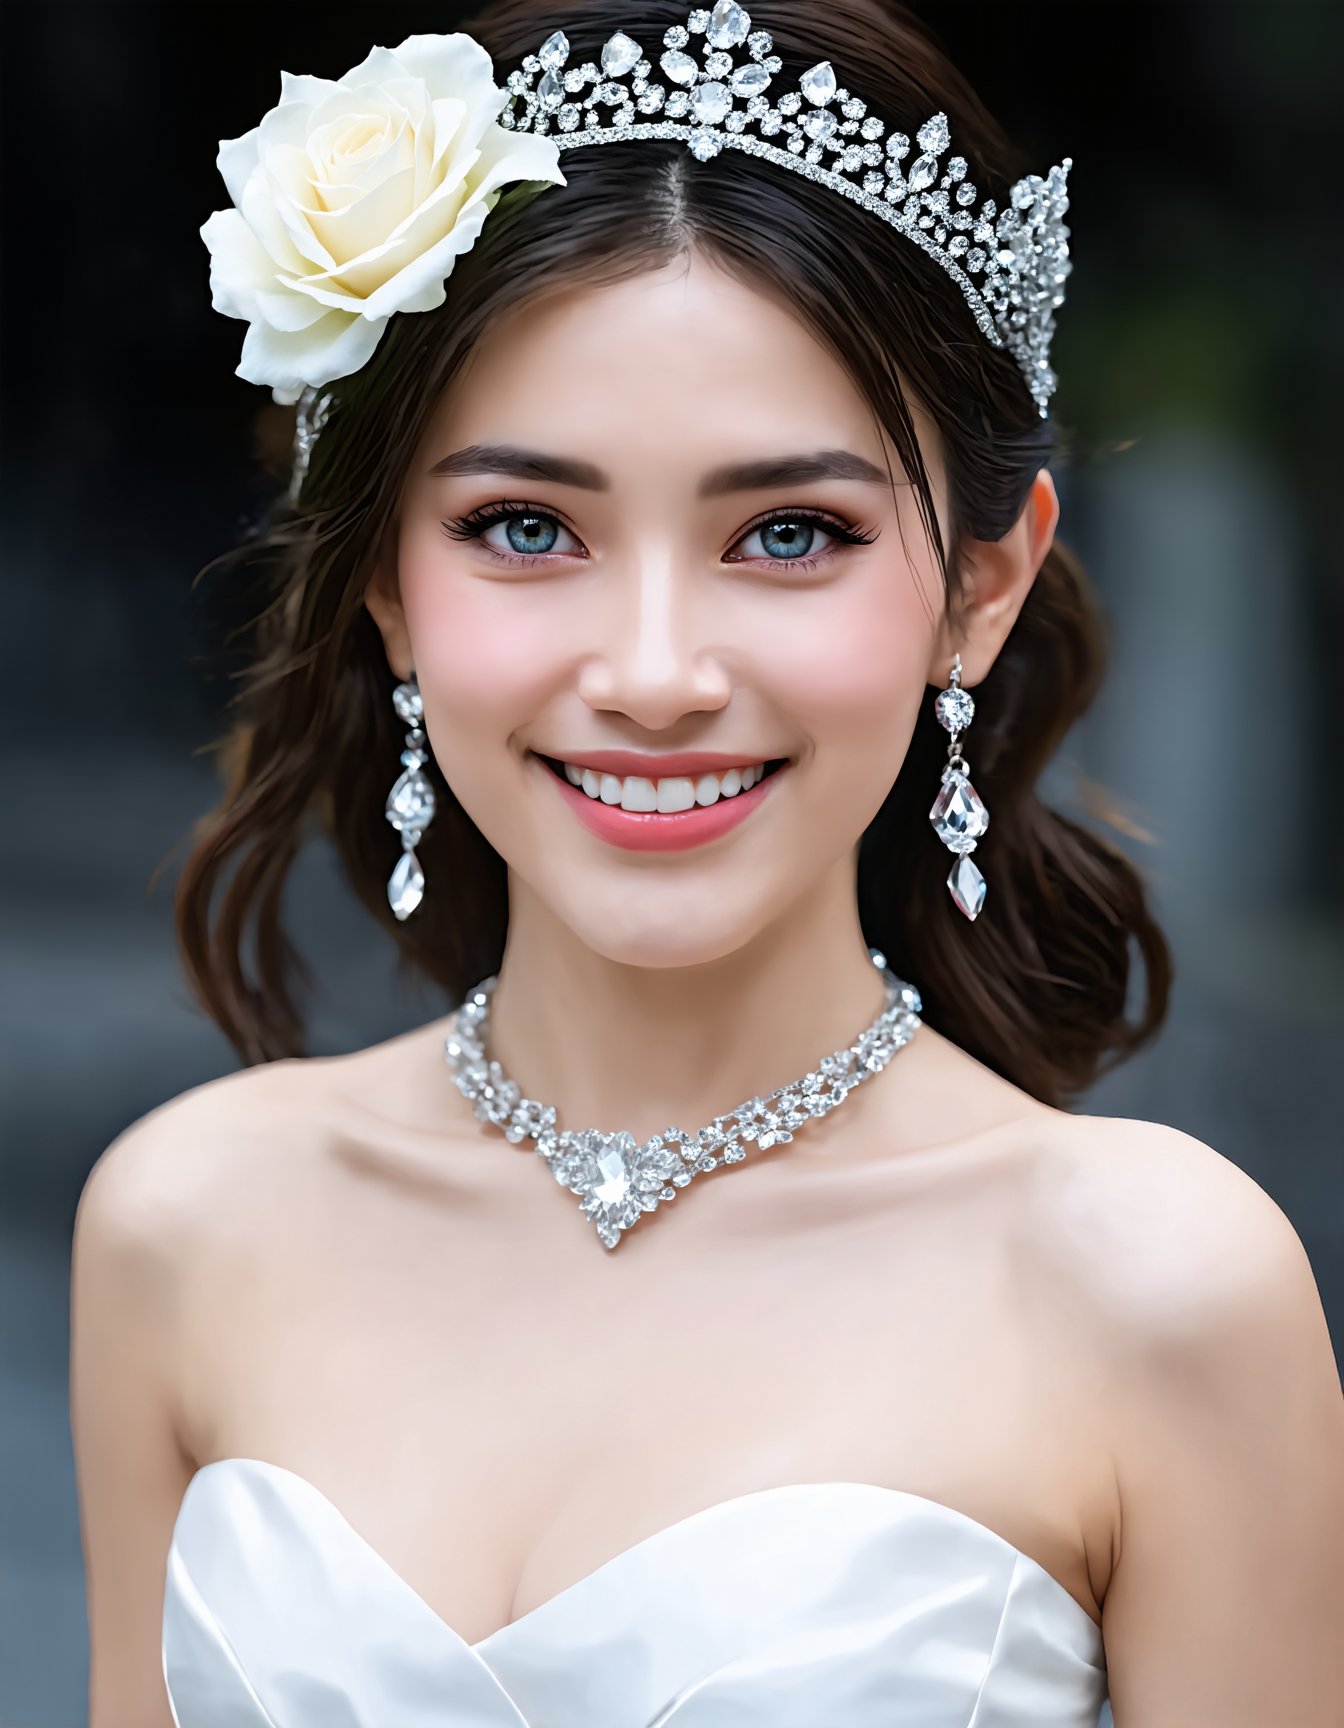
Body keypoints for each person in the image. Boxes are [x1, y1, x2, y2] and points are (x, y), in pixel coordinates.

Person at [69, 1, 1344, 1724]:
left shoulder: (1159, 1287)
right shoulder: (187, 1221)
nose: (658, 672)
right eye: (526, 528)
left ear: (984, 586)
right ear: (382, 582)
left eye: (789, 534)